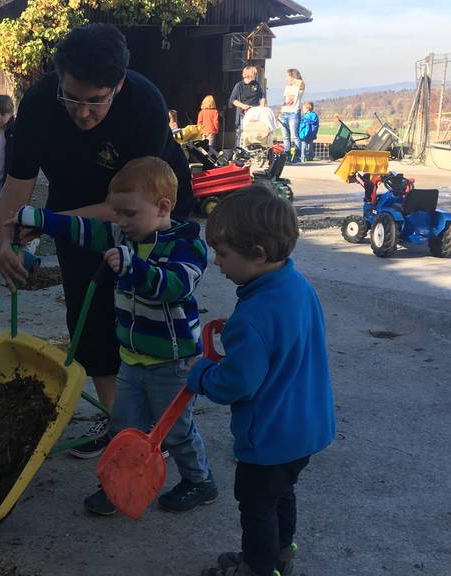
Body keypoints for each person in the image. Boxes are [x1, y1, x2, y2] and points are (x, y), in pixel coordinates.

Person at [0, 24, 194, 459]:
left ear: (119, 85)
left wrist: (51, 222)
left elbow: (128, 209)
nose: (82, 113)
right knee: (88, 315)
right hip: (73, 201)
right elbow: (17, 181)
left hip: (152, 206)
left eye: (95, 101)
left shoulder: (145, 105)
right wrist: (6, 238)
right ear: (59, 78)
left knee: (147, 316)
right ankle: (122, 428)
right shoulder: (39, 104)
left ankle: (159, 419)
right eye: (72, 97)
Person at [11, 157, 215, 515]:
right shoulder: (124, 234)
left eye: (129, 214)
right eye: (117, 214)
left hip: (172, 361)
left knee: (175, 431)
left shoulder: (187, 248)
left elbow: (173, 286)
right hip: (132, 359)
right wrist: (38, 218)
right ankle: (116, 486)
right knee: (124, 426)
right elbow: (81, 229)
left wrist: (133, 267)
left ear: (163, 207)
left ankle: (199, 481)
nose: (120, 221)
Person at [185, 186, 336, 576]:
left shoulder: (251, 319)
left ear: (258, 254)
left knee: (255, 505)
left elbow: (236, 384)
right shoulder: (298, 286)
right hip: (307, 428)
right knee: (281, 494)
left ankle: (257, 566)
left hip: (270, 435)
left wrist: (202, 373)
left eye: (223, 254)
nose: (216, 263)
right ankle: (280, 555)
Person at [229, 66, 265, 150]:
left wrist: (262, 106)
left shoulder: (257, 84)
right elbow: (232, 100)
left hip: (255, 113)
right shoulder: (239, 85)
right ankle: (240, 150)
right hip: (243, 113)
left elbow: (262, 96)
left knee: (254, 133)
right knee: (241, 133)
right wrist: (242, 105)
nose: (256, 75)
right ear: (249, 74)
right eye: (254, 73)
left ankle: (253, 151)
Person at [279, 69, 305, 162]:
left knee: (295, 136)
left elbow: (302, 83)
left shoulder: (299, 87)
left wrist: (293, 79)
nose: (286, 78)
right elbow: (285, 100)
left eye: (287, 76)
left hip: (294, 113)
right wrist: (280, 112)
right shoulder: (287, 87)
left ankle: (297, 157)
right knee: (286, 137)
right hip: (284, 113)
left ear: (292, 76)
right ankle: (287, 156)